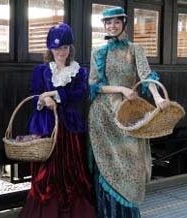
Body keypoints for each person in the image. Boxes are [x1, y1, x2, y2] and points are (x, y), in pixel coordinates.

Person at [88, 7, 169, 218]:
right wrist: (122, 89)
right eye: (107, 23)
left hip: (129, 115)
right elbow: (94, 85)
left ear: (124, 23)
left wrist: (158, 96)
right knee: (106, 164)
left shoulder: (135, 49)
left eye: (116, 22)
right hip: (103, 116)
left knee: (132, 165)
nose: (111, 26)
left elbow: (146, 75)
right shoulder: (98, 52)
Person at [20, 23, 96, 218]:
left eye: (65, 47)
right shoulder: (41, 70)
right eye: (56, 47)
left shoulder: (79, 71)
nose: (61, 51)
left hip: (69, 127)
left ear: (70, 48)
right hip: (46, 126)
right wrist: (44, 99)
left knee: (71, 170)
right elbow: (34, 94)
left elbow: (79, 94)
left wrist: (55, 94)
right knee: (46, 172)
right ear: (50, 49)